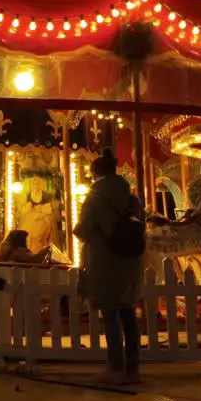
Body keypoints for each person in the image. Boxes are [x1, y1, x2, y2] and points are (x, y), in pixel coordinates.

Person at [74, 149, 145, 385]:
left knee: (110, 314)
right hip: (130, 261)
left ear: (95, 173)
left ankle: (116, 367)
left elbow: (84, 230)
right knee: (128, 314)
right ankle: (133, 368)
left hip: (105, 261)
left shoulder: (95, 199)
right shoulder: (131, 198)